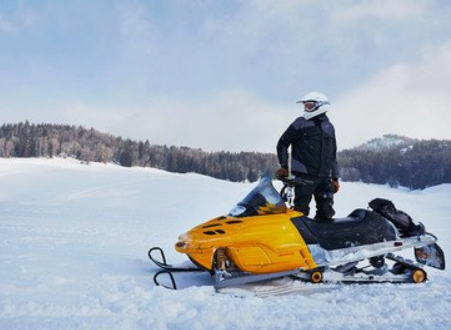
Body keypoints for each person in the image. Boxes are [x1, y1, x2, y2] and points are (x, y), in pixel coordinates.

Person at [276, 91, 340, 221]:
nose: (306, 108)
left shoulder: (329, 127)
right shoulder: (300, 123)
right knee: (300, 212)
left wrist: (335, 177)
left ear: (321, 106)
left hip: (325, 177)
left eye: (309, 106)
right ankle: (298, 239)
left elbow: (332, 154)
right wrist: (284, 166)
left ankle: (322, 239)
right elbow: (282, 143)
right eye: (305, 106)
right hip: (304, 177)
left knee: (326, 212)